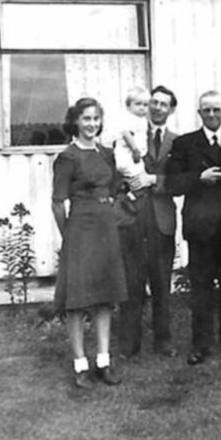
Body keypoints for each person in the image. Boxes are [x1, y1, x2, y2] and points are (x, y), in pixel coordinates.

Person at [166, 90, 221, 366]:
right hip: (201, 228)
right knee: (201, 290)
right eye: (206, 110)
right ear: (199, 113)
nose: (212, 115)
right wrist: (198, 178)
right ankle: (200, 345)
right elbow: (173, 184)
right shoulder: (185, 144)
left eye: (216, 110)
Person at [51, 97, 128, 389]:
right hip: (80, 230)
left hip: (106, 229)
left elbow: (115, 187)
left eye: (96, 118)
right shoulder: (68, 158)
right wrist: (68, 235)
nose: (92, 124)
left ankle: (104, 361)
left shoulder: (106, 154)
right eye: (86, 119)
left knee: (105, 297)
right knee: (77, 301)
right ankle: (80, 364)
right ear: (75, 122)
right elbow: (58, 203)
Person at [117, 86, 180, 359]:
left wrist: (154, 180)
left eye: (163, 104)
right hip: (132, 214)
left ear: (171, 110)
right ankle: (130, 343)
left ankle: (163, 341)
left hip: (162, 218)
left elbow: (180, 181)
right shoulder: (130, 135)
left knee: (161, 282)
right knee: (132, 281)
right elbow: (115, 168)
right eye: (153, 102)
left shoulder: (178, 142)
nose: (156, 107)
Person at [114, 86, 151, 201]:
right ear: (128, 105)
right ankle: (131, 191)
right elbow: (126, 134)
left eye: (145, 105)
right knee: (135, 172)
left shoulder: (141, 120)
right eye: (138, 104)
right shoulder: (130, 119)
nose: (142, 108)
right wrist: (135, 150)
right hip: (128, 153)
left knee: (140, 173)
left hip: (134, 154)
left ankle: (131, 190)